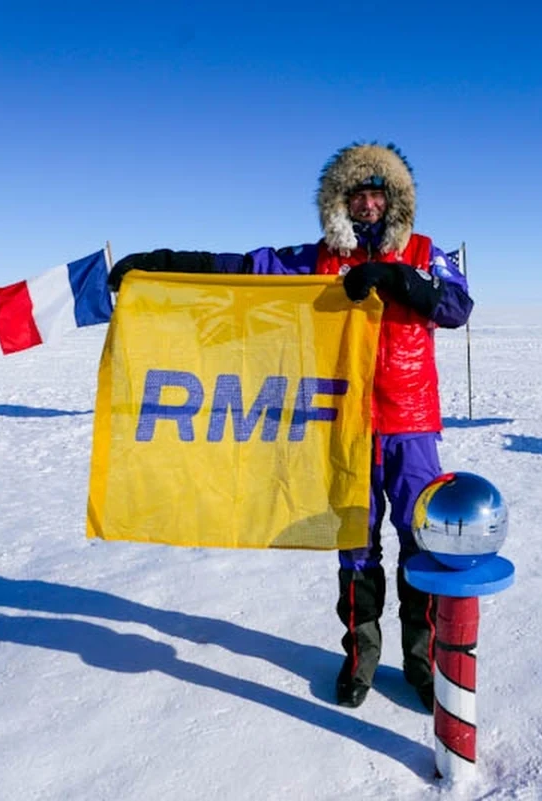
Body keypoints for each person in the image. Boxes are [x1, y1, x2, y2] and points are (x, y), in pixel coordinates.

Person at [108, 142, 473, 710]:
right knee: (355, 544)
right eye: (359, 196)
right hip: (343, 425)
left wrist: (397, 278)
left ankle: (422, 664)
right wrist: (161, 263)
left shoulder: (427, 252)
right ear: (341, 203)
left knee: (418, 539)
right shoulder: (318, 257)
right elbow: (242, 269)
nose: (369, 206)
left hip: (410, 423)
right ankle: (361, 659)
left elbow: (455, 306)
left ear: (396, 202)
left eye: (380, 196)